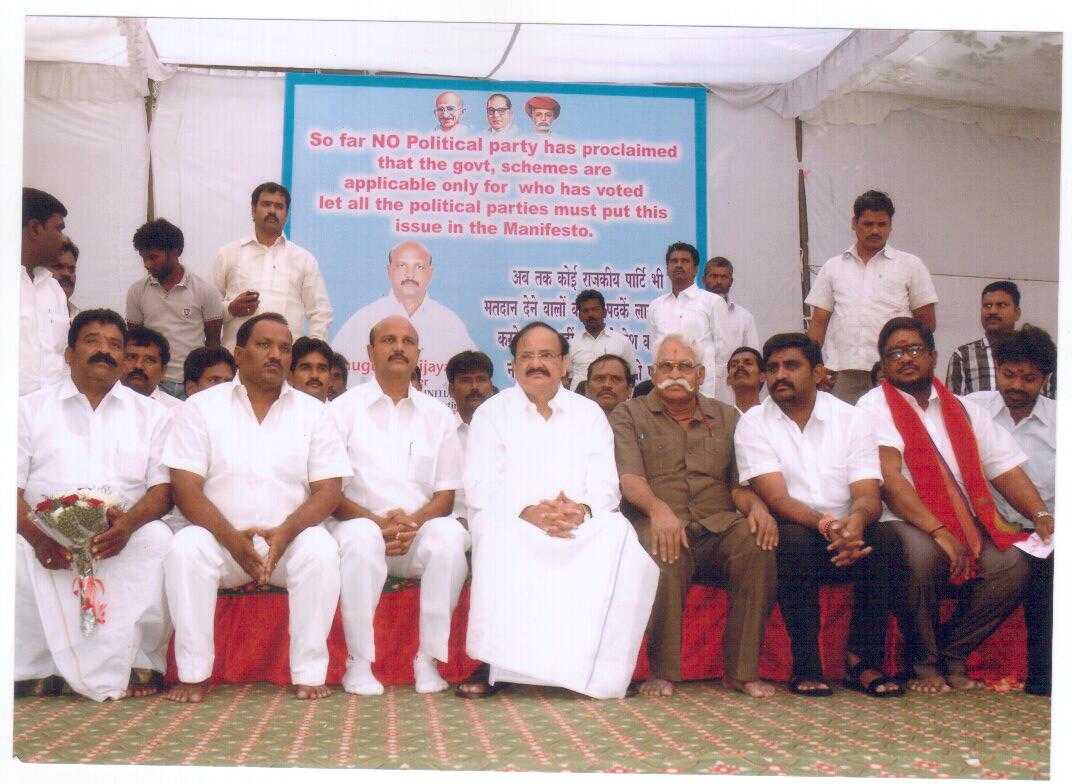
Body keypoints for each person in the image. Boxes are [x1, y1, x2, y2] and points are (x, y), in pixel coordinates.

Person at [463, 322, 658, 699]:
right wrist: (530, 513)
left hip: (577, 521)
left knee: (617, 535)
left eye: (546, 355)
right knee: (495, 531)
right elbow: (482, 485)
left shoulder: (589, 414)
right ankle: (496, 663)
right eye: (527, 356)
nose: (537, 364)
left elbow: (605, 484)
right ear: (514, 366)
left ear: (565, 364)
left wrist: (581, 510)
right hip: (515, 519)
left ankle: (603, 666)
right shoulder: (491, 414)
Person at [162, 313, 351, 703]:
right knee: (185, 547)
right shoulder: (200, 408)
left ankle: (309, 671)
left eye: (284, 348)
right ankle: (195, 673)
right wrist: (231, 540)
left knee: (321, 549)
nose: (276, 355)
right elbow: (185, 488)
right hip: (222, 545)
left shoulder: (316, 413)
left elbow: (328, 491)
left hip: (286, 545)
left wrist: (285, 533)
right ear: (239, 352)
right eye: (264, 345)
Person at [857, 317, 1046, 694]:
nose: (905, 358)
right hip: (901, 520)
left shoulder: (964, 409)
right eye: (894, 352)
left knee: (1013, 562)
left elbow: (1005, 471)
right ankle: (924, 664)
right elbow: (891, 480)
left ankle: (952, 653)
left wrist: (1041, 515)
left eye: (914, 349)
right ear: (883, 362)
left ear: (932, 355)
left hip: (965, 522)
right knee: (922, 554)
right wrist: (939, 530)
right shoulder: (872, 406)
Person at [735, 332, 904, 698]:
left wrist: (855, 523)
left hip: (847, 528)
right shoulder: (753, 423)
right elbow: (775, 496)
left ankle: (863, 660)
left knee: (887, 541)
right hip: (797, 528)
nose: (780, 375)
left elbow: (867, 495)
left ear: (818, 373)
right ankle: (807, 663)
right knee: (792, 542)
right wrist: (826, 525)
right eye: (773, 367)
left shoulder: (853, 419)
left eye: (791, 366)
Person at [16, 308, 173, 700]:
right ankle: (33, 667)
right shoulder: (28, 409)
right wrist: (38, 537)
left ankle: (140, 662)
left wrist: (128, 526)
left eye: (114, 345)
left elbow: (162, 490)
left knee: (156, 538)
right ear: (69, 354)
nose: (104, 351)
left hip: (120, 531)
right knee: (11, 545)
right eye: (92, 341)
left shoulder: (153, 415)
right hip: (43, 531)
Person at [611, 334, 777, 698]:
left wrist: (759, 508)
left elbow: (739, 486)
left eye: (685, 366)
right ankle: (663, 672)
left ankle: (741, 671)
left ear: (700, 374)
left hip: (718, 523)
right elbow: (630, 479)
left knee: (758, 542)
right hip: (654, 519)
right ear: (653, 373)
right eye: (667, 367)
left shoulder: (727, 416)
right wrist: (658, 511)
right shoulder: (629, 413)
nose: (675, 373)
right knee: (664, 546)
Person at [322, 316, 468, 696]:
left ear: (419, 353)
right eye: (388, 340)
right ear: (370, 352)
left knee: (451, 537)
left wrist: (412, 524)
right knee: (358, 538)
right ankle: (359, 661)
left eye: (408, 341)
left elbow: (446, 496)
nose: (399, 347)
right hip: (358, 527)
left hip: (416, 534)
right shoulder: (341, 410)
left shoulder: (439, 416)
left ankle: (427, 659)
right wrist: (377, 523)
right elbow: (329, 492)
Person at [965, 325, 1056, 696]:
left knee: (1049, 573)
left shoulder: (1060, 421)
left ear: (1046, 379)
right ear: (996, 367)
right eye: (1009, 374)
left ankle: (1043, 680)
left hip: (1042, 531)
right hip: (981, 526)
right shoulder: (972, 409)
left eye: (1029, 378)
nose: (1017, 385)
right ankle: (942, 656)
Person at [805, 190, 938, 405]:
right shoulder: (833, 267)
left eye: (882, 224)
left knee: (895, 432)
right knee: (845, 434)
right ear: (854, 223)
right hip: (842, 373)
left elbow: (926, 324)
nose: (875, 230)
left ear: (891, 225)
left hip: (893, 370)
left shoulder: (911, 265)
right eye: (868, 224)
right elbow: (818, 324)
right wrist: (814, 367)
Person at [331, 240, 476, 397]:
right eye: (402, 266)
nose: (410, 274)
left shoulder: (451, 323)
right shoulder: (362, 320)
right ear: (389, 271)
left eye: (419, 267)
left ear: (430, 273)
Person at [211, 182, 333, 350]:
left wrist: (310, 352)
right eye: (266, 204)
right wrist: (230, 309)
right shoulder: (228, 254)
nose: (272, 211)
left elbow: (321, 312)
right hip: (238, 357)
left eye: (279, 206)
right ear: (253, 210)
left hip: (285, 360)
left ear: (286, 214)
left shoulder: (303, 259)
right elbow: (208, 310)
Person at [127, 218, 224, 400]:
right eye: (143, 258)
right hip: (152, 384)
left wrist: (202, 383)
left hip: (192, 386)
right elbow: (134, 341)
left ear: (174, 253)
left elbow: (213, 343)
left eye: (153, 257)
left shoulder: (205, 291)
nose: (147, 264)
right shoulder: (137, 291)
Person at [647, 242, 733, 403]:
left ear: (695, 269)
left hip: (704, 391)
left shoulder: (712, 302)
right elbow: (655, 351)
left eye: (685, 261)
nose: (679, 265)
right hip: (666, 388)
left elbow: (724, 354)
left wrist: (719, 395)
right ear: (667, 269)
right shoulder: (655, 306)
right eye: (674, 261)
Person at [946, 281, 1054, 399]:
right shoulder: (963, 355)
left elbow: (1051, 403)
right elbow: (953, 405)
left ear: (1017, 313)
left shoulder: (1037, 350)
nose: (993, 311)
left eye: (1001, 305)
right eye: (987, 305)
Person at [21, 187, 70, 396]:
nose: (64, 239)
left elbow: (62, 356)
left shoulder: (54, 289)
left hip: (52, 413)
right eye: (59, 229)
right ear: (34, 229)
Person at [567, 289, 637, 391]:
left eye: (595, 309)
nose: (591, 314)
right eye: (585, 310)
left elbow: (632, 376)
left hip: (613, 402)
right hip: (579, 402)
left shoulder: (622, 342)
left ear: (604, 312)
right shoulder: (571, 345)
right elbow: (566, 379)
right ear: (580, 316)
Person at [702, 257, 759, 352]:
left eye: (724, 277)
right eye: (714, 276)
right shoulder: (691, 311)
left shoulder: (744, 317)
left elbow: (752, 355)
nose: (719, 281)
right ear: (704, 280)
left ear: (731, 282)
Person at [121, 326, 182, 411]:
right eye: (131, 357)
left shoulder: (178, 411)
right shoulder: (101, 403)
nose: (139, 366)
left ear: (163, 371)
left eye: (149, 360)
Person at [289, 336, 334, 403]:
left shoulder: (341, 413)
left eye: (322, 369)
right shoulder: (276, 412)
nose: (314, 375)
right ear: (291, 375)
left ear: (330, 376)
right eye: (305, 368)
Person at [727, 346, 764, 414]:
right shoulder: (721, 422)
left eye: (748, 363)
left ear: (762, 376)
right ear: (728, 380)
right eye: (734, 365)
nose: (740, 365)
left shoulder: (774, 419)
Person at [49, 239, 80, 317]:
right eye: (58, 267)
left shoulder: (80, 319)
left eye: (71, 269)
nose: (67, 274)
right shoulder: (26, 311)